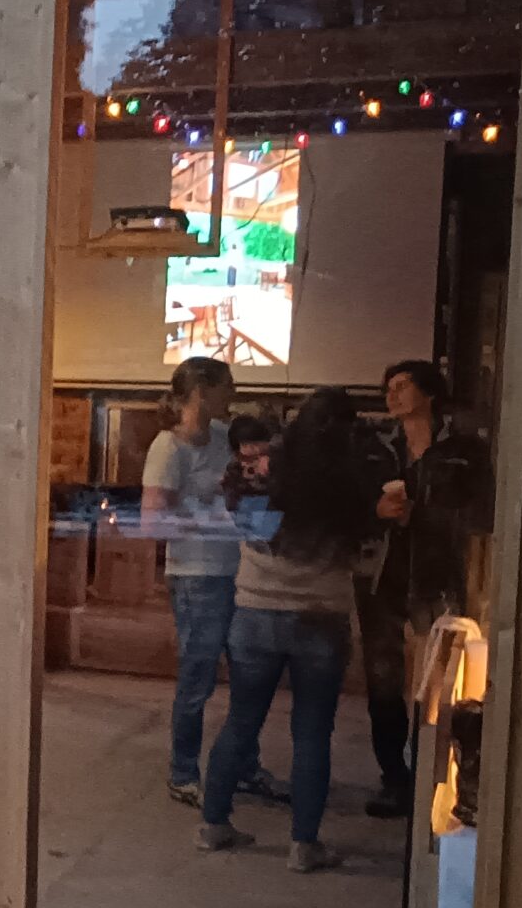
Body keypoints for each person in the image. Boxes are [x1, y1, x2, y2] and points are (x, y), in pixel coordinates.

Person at [199, 387, 377, 872]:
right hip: (321, 614)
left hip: (255, 609)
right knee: (313, 732)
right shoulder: (351, 475)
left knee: (241, 719)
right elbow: (366, 540)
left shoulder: (254, 468)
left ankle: (214, 825)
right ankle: (304, 845)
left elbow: (249, 527)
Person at [356, 360, 493, 818]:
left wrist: (426, 516)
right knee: (383, 683)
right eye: (388, 388)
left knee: (438, 683)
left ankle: (437, 781)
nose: (392, 396)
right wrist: (377, 510)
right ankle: (394, 779)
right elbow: (353, 503)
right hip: (383, 579)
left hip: (439, 576)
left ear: (429, 393)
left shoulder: (464, 450)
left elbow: (482, 514)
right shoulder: (378, 448)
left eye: (402, 386)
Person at [141, 357, 244, 804]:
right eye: (227, 386)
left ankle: (244, 766)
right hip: (197, 577)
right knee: (198, 679)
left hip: (239, 573)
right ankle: (183, 772)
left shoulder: (224, 436)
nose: (233, 395)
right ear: (202, 392)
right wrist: (210, 522)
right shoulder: (169, 447)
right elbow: (152, 522)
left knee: (248, 678)